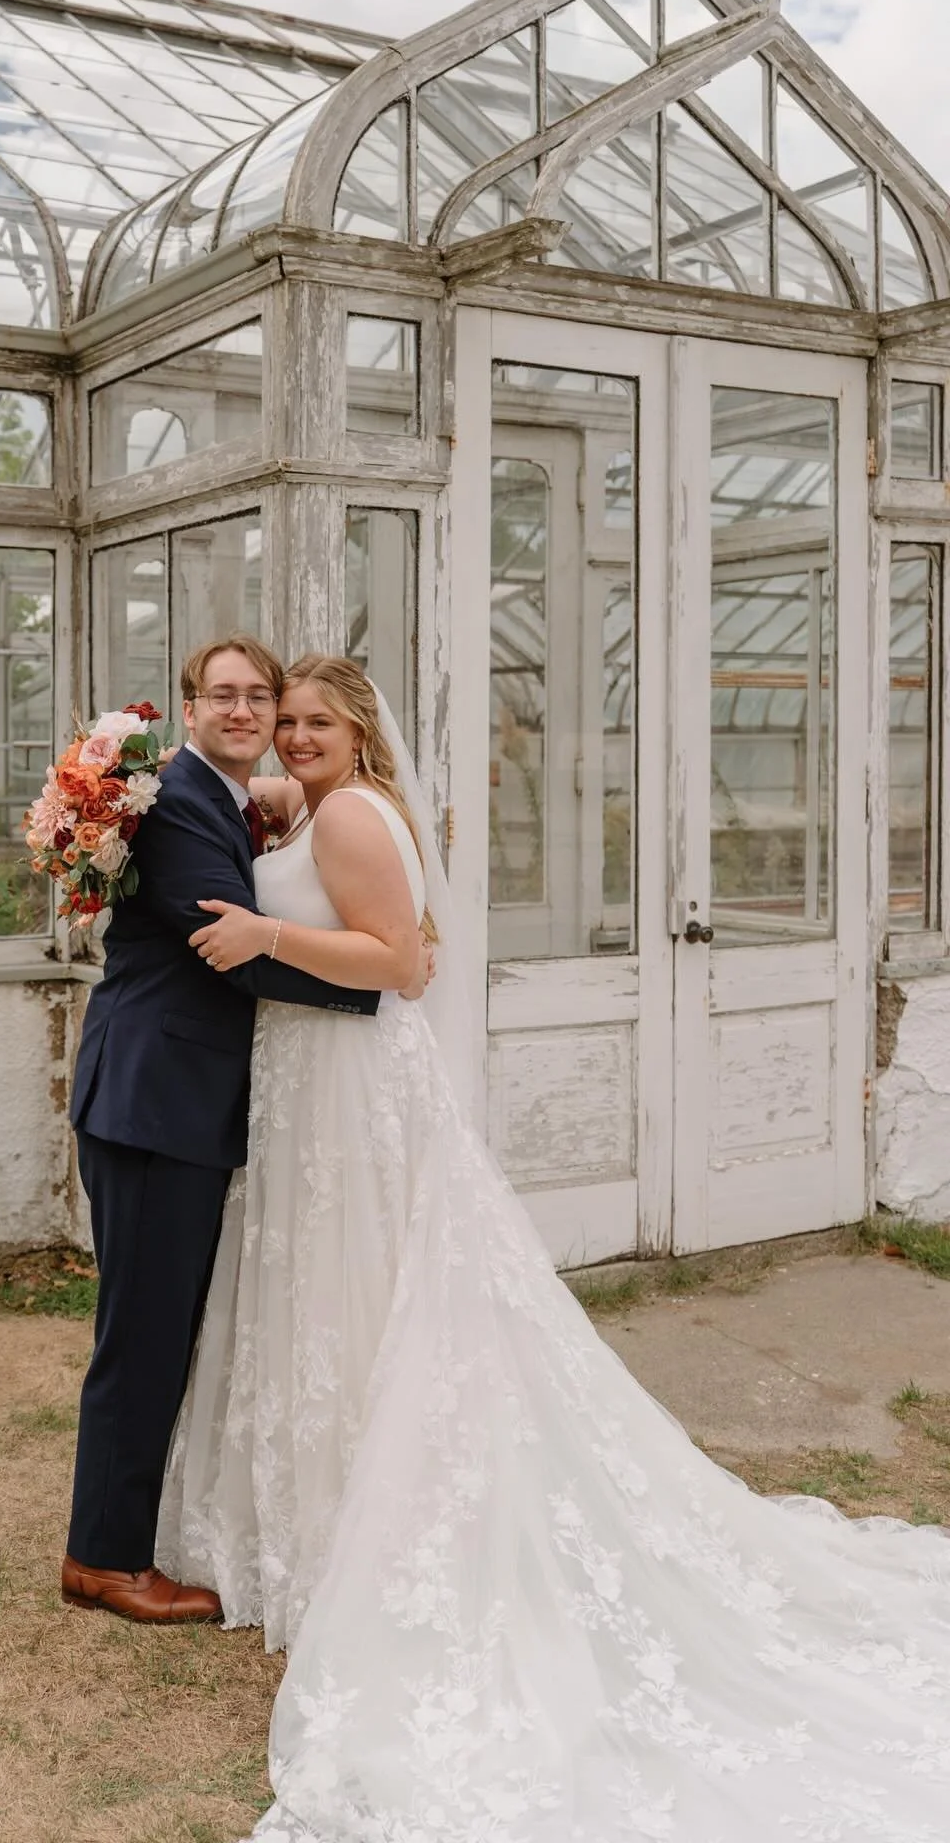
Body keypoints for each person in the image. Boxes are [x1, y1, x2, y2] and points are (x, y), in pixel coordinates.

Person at [158, 653, 950, 1841]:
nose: (297, 735)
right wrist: (269, 805)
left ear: (359, 730)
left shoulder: (356, 817)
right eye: (289, 720)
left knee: (368, 1298)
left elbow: (405, 966)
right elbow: (295, 837)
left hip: (352, 1085)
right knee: (329, 1300)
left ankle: (374, 1533)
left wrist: (266, 930)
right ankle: (315, 1517)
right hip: (308, 1083)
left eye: (319, 720)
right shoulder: (313, 805)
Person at [63, 635, 421, 1626]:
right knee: (141, 1335)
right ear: (188, 710)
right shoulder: (179, 804)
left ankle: (118, 1536)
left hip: (185, 1100)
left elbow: (283, 829)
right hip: (154, 1101)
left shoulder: (227, 797)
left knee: (165, 1325)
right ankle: (104, 1558)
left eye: (260, 698)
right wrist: (389, 979)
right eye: (225, 695)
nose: (247, 712)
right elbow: (238, 956)